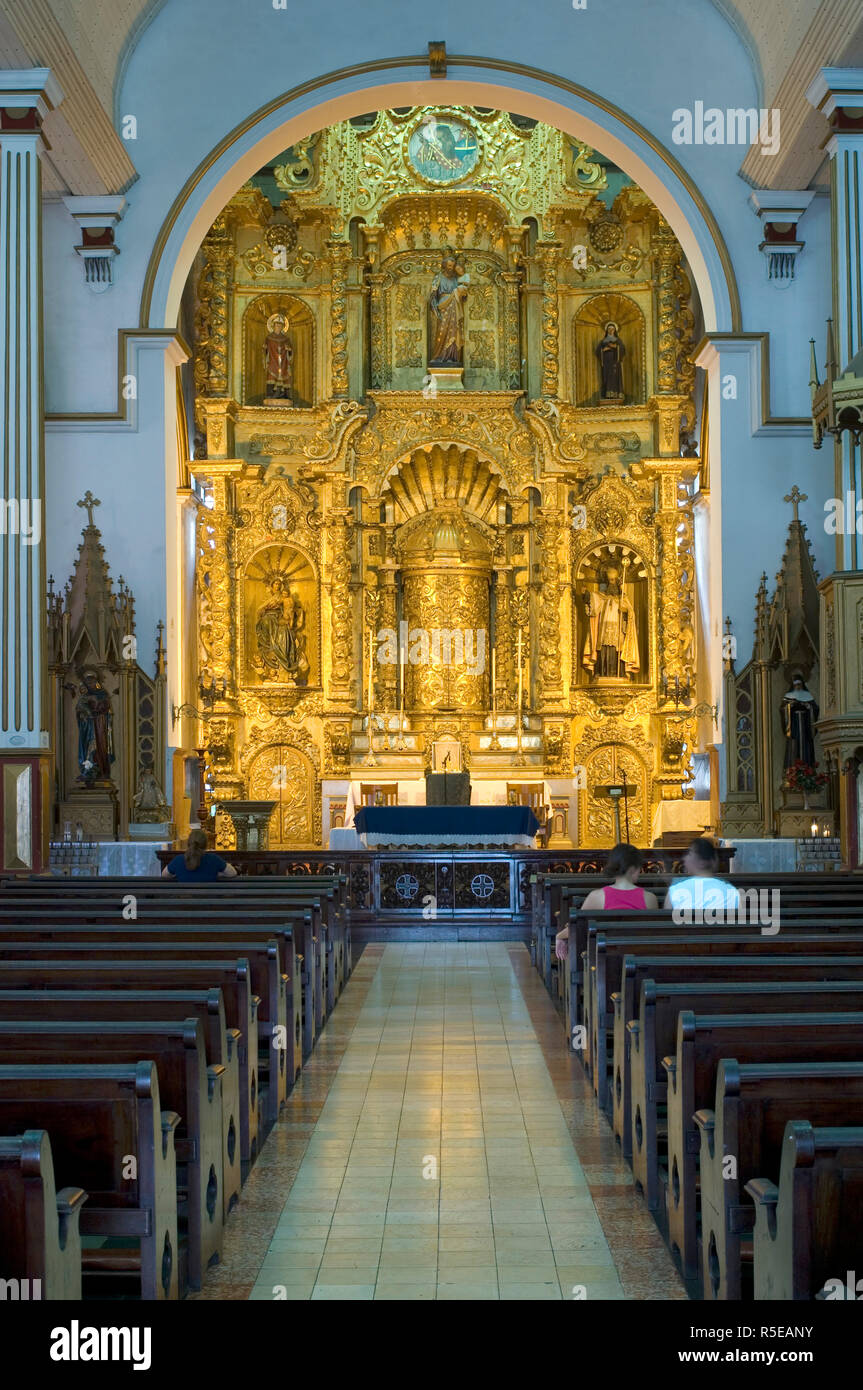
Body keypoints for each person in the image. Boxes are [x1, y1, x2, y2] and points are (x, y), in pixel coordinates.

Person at [555, 843, 658, 958]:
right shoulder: (649, 898)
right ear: (633, 869)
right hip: (640, 959)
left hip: (605, 960)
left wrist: (559, 936)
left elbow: (578, 928)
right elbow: (652, 933)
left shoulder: (597, 897)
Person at [665, 837, 739, 920]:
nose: (685, 858)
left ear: (702, 862)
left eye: (689, 854)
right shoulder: (732, 892)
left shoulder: (675, 891)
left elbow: (665, 923)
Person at [162, 828, 238, 883]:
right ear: (206, 844)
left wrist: (179, 873)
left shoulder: (179, 860)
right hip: (208, 902)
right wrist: (218, 873)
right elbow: (232, 873)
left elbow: (164, 875)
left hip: (184, 902)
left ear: (188, 843)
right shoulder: (214, 859)